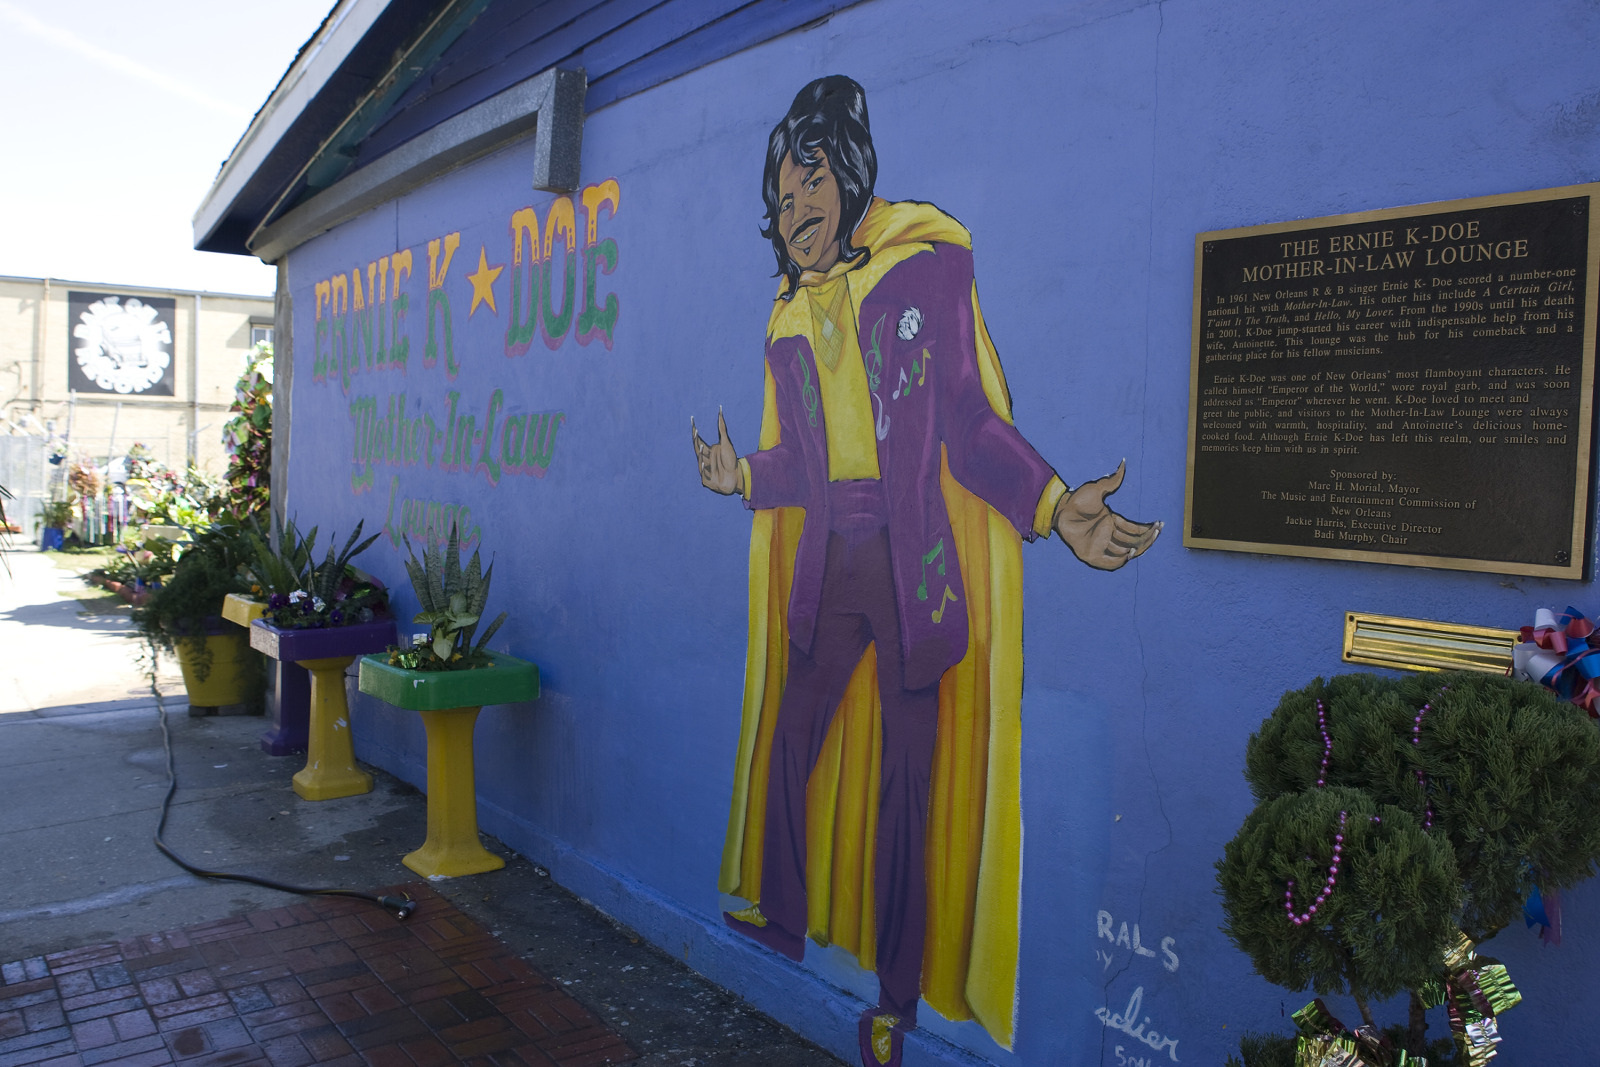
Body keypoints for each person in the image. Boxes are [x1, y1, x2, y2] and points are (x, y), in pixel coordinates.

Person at [693, 75, 1159, 1067]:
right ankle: (782, 915)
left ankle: (894, 1003)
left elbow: (967, 420)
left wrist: (1050, 503)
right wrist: (742, 477)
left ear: (847, 177)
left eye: (808, 189)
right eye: (780, 204)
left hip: (915, 570)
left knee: (908, 787)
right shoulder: (786, 317)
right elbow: (803, 467)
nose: (794, 216)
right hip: (828, 559)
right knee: (793, 739)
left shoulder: (928, 264)